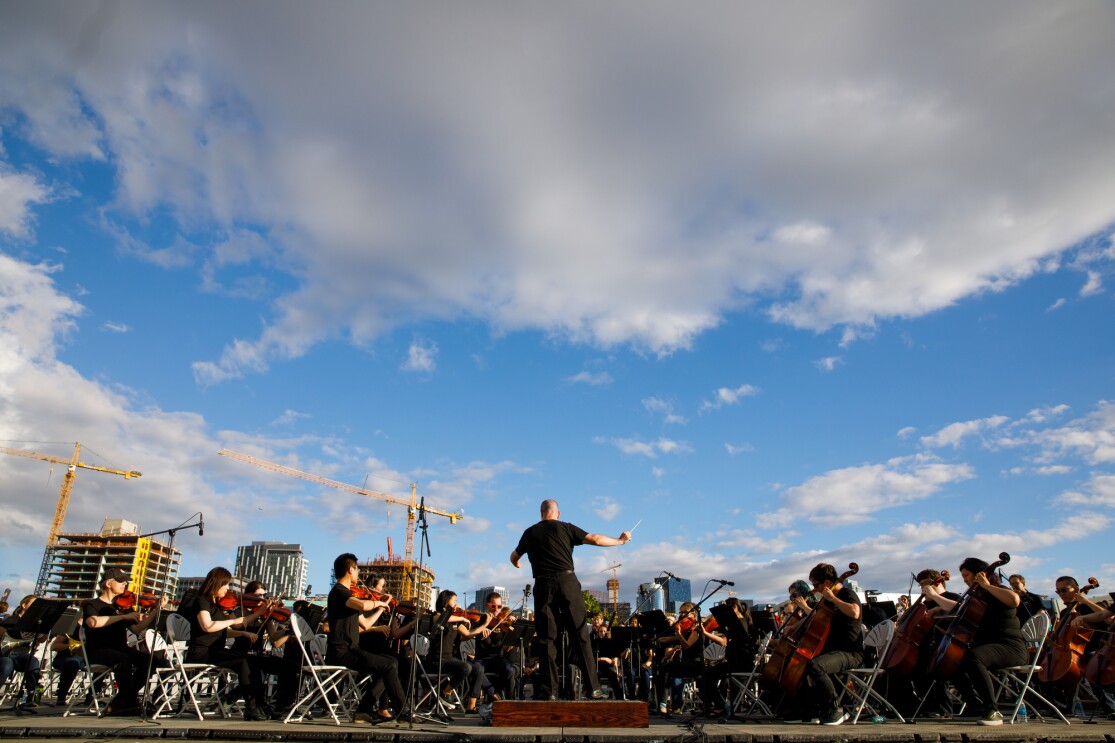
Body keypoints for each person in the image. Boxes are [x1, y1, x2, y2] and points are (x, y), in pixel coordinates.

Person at [509, 499, 631, 700]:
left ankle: (550, 692)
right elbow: (597, 539)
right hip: (566, 581)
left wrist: (517, 563)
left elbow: (514, 556)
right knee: (580, 633)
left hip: (543, 584)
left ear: (541, 513)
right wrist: (620, 541)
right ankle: (593, 688)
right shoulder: (566, 527)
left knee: (547, 638)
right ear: (557, 513)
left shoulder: (530, 532)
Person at [939, 557, 1028, 726]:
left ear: (979, 574)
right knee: (952, 661)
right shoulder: (976, 596)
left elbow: (1014, 600)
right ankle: (975, 706)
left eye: (966, 575)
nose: (964, 580)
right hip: (991, 647)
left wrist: (987, 585)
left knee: (974, 657)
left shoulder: (996, 590)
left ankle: (992, 709)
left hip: (1011, 647)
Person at [326, 553, 407, 724]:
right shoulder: (340, 593)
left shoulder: (348, 596)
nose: (358, 574)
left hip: (352, 649)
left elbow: (366, 625)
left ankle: (363, 711)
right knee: (388, 666)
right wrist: (377, 602)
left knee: (391, 663)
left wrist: (382, 607)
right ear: (350, 569)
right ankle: (402, 712)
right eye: (357, 570)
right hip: (341, 651)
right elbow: (362, 605)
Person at [183, 567, 270, 720]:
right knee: (244, 661)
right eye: (226, 585)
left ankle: (258, 705)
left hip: (215, 650)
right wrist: (232, 621)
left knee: (251, 661)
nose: (228, 588)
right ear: (217, 583)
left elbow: (226, 630)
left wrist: (260, 612)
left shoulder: (217, 605)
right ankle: (251, 709)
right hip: (202, 652)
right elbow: (207, 626)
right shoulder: (202, 601)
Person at [80, 569, 167, 716]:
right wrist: (122, 617)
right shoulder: (92, 604)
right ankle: (130, 701)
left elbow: (138, 629)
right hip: (97, 651)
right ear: (108, 583)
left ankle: (123, 700)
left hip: (120, 649)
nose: (125, 584)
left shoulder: (122, 607)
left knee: (149, 660)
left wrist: (156, 610)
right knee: (123, 659)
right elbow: (93, 622)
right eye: (121, 581)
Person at [799, 563, 864, 726]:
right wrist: (795, 623)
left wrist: (833, 598)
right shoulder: (826, 602)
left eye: (816, 585)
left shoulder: (846, 594)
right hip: (834, 651)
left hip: (850, 653)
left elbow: (855, 612)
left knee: (816, 666)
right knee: (804, 665)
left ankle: (835, 709)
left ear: (826, 583)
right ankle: (814, 709)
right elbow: (817, 618)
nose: (814, 589)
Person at [426, 590, 492, 714]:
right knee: (465, 667)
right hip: (436, 660)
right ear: (446, 602)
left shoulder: (455, 622)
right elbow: (440, 619)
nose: (457, 604)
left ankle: (471, 706)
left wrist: (485, 624)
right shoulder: (436, 616)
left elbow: (468, 634)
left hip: (450, 659)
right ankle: (445, 692)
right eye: (454, 601)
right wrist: (461, 617)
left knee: (478, 669)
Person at [0, 595, 43, 708]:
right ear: (24, 605)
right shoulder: (11, 621)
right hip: (6, 654)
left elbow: (42, 640)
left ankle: (30, 696)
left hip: (22, 655)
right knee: (7, 663)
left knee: (32, 661)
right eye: (33, 604)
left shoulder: (34, 624)